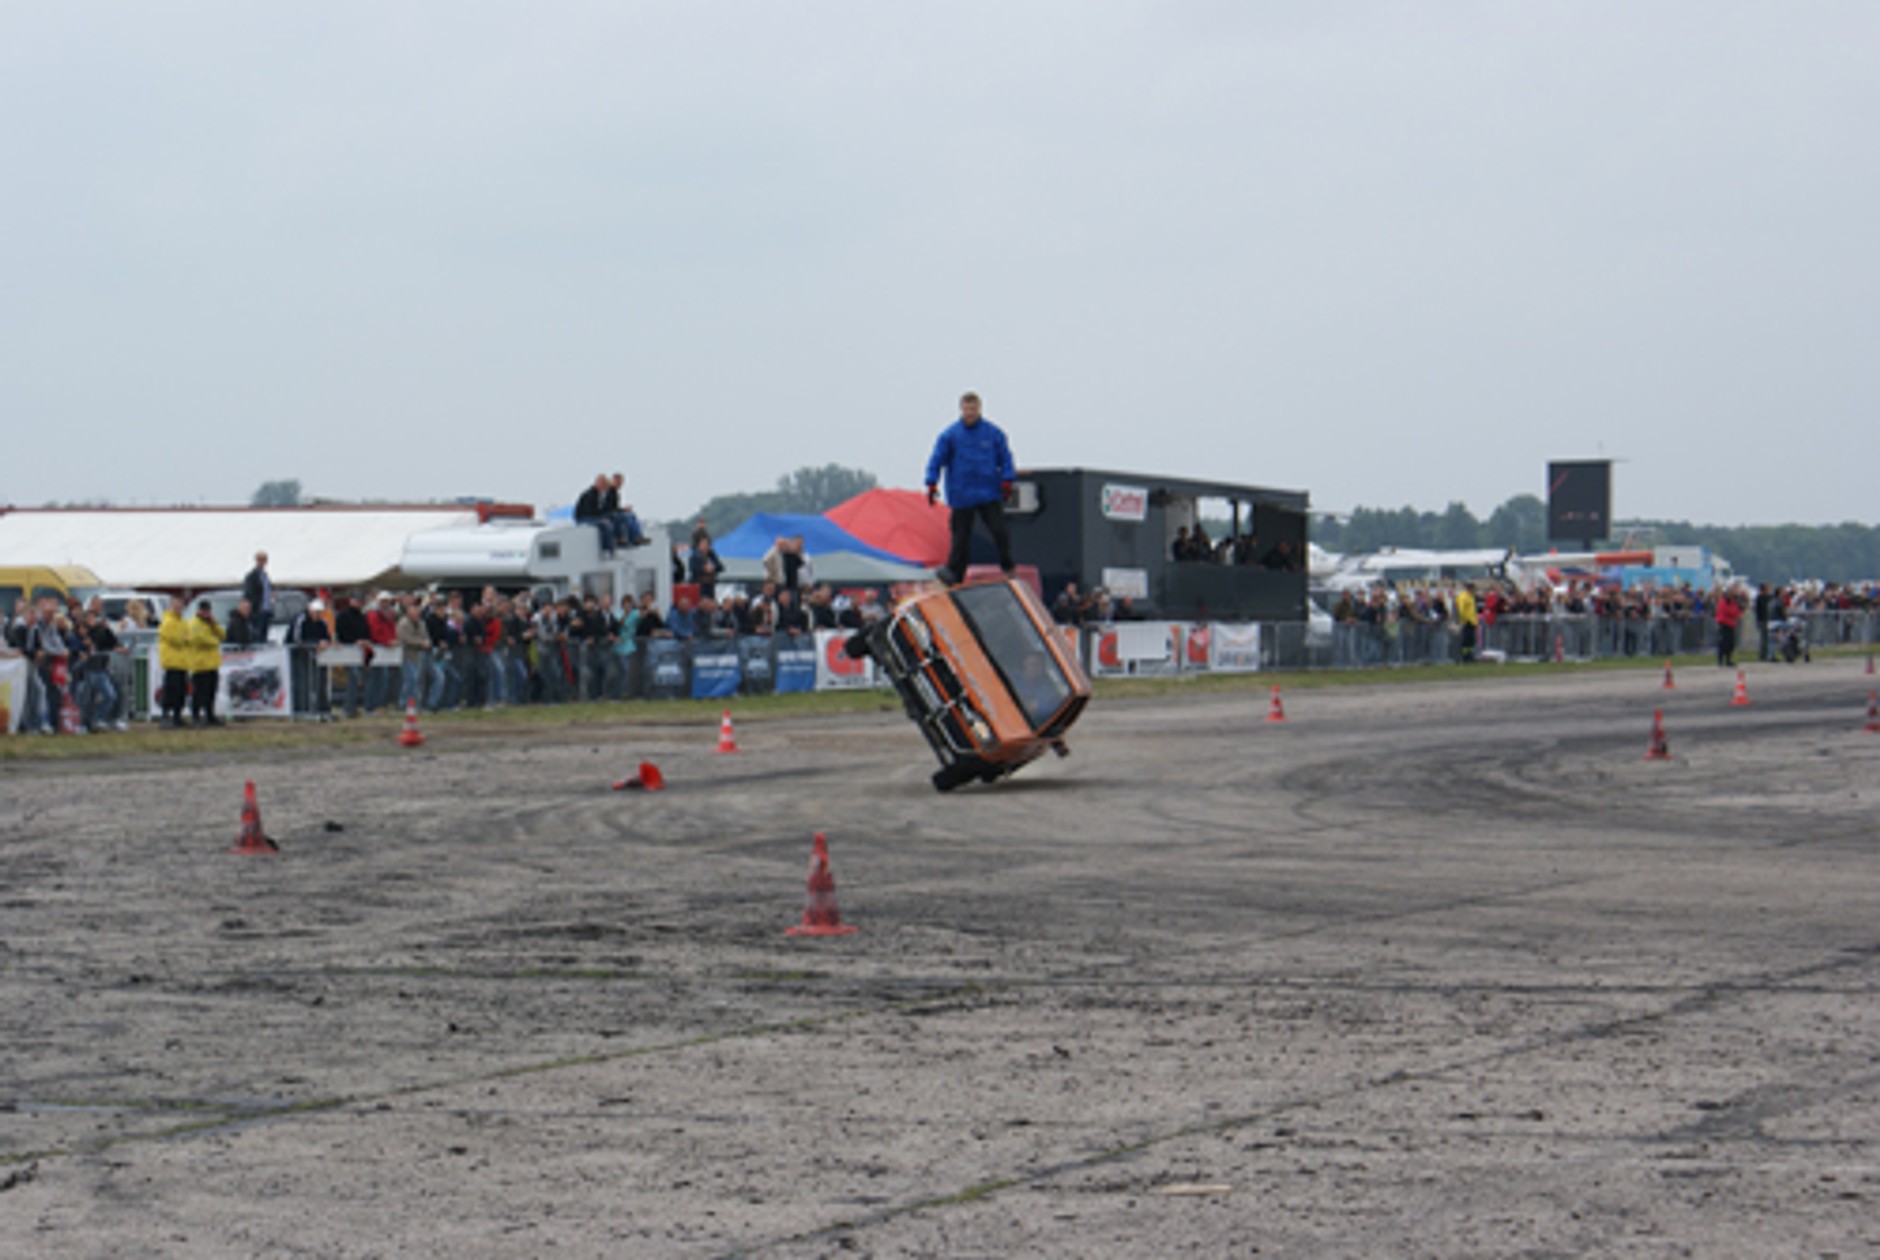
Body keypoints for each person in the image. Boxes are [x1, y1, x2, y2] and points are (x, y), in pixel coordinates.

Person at [925, 390, 1016, 585]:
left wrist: (1007, 480)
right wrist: (931, 482)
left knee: (999, 531)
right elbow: (936, 460)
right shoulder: (950, 436)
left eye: (973, 409)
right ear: (961, 409)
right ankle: (954, 575)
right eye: (967, 409)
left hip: (988, 492)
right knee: (960, 539)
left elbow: (1006, 458)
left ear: (979, 409)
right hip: (962, 494)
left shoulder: (993, 434)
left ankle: (1008, 566)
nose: (970, 413)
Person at [186, 599, 225, 726]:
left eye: (208, 611)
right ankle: (195, 716)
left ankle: (210, 716)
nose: (206, 613)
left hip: (212, 663)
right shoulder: (194, 623)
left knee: (211, 692)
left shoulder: (209, 624)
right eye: (203, 611)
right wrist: (215, 641)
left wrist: (214, 624)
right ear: (199, 611)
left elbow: (223, 635)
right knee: (199, 693)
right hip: (199, 664)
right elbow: (200, 640)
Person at [157, 595, 192, 728]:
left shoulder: (183, 622)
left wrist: (185, 639)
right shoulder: (167, 622)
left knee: (181, 691)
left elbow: (189, 638)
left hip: (182, 662)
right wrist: (185, 639)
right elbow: (176, 639)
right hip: (171, 662)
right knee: (170, 690)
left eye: (180, 606)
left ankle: (177, 716)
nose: (178, 609)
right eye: (175, 606)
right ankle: (165, 715)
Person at [574, 473, 617, 555]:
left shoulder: (599, 494)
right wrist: (601, 518)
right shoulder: (590, 494)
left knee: (614, 519)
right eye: (603, 484)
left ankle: (620, 540)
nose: (604, 487)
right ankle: (608, 548)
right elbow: (589, 511)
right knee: (606, 525)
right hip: (584, 518)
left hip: (592, 516)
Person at [603, 473, 650, 547]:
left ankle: (638, 536)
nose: (619, 484)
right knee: (625, 517)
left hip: (613, 512)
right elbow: (609, 508)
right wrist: (623, 510)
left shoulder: (615, 493)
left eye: (620, 482)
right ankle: (632, 537)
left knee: (631, 515)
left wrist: (623, 509)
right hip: (608, 514)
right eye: (617, 482)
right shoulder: (608, 492)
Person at [243, 550, 275, 641]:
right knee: (257, 636)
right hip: (258, 611)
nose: (262, 562)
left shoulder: (265, 576)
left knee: (264, 636)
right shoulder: (252, 576)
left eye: (264, 560)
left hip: (266, 610)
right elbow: (249, 594)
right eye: (259, 560)